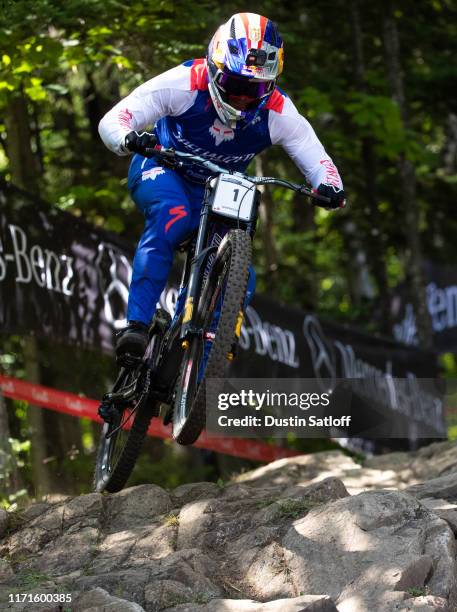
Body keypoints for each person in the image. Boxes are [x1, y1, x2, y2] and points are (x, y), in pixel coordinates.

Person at [98, 12, 345, 365]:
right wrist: (128, 138)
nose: (245, 98)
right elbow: (115, 118)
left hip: (218, 190)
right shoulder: (184, 82)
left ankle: (198, 374)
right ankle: (135, 324)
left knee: (243, 276)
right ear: (215, 68)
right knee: (173, 217)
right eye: (237, 85)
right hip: (164, 170)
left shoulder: (278, 111)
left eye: (256, 88)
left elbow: (319, 161)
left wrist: (329, 188)